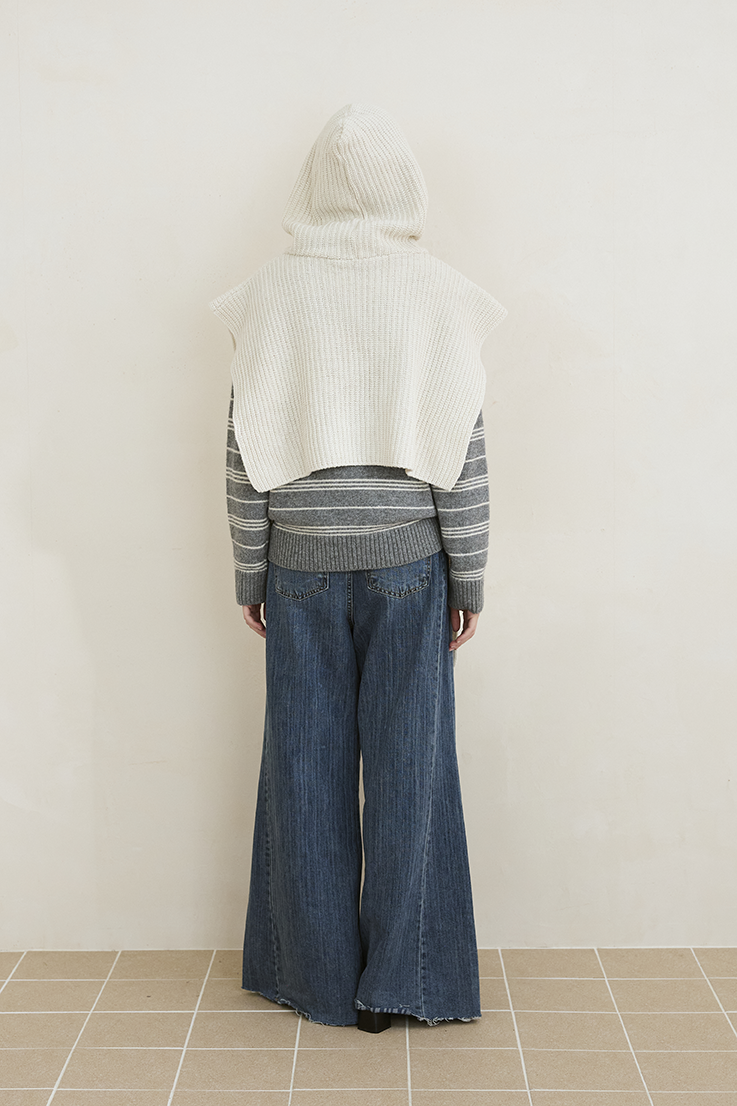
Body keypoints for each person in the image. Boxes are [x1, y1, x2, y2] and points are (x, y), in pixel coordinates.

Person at [210, 103, 506, 1031]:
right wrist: (469, 577)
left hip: (297, 565)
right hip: (410, 563)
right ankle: (403, 984)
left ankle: (316, 979)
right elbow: (462, 451)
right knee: (413, 775)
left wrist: (251, 572)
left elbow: (242, 447)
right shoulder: (436, 291)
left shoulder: (272, 292)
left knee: (303, 773)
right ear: (401, 184)